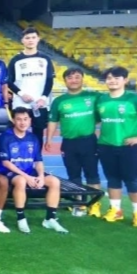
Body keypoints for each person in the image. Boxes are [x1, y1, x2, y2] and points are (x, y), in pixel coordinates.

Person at [95, 66, 137, 229]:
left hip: (129, 147)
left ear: (125, 80)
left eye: (116, 78)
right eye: (109, 78)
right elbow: (95, 119)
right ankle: (115, 210)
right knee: (112, 179)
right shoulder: (101, 100)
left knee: (132, 180)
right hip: (106, 146)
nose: (112, 81)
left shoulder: (135, 99)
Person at [0, 107, 68, 234]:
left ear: (30, 120)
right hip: (11, 172)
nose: (22, 122)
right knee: (21, 181)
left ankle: (50, 219)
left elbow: (38, 160)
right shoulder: (5, 137)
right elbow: (6, 162)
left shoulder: (33, 138)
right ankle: (21, 218)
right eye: (19, 119)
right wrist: (27, 177)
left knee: (54, 181)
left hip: (29, 171)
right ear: (13, 120)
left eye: (25, 119)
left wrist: (40, 176)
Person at [45, 68, 102, 218]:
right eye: (70, 78)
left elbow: (113, 99)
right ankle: (79, 203)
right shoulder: (59, 101)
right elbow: (53, 121)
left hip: (89, 141)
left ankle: (95, 205)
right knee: (73, 175)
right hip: (69, 143)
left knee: (92, 174)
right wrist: (48, 139)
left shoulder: (93, 96)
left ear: (82, 79)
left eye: (77, 77)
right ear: (65, 81)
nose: (74, 80)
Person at [7, 27, 55, 143]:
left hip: (40, 104)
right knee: (18, 132)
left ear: (38, 39)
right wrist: (21, 94)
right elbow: (8, 81)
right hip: (20, 103)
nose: (30, 40)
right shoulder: (15, 60)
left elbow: (49, 80)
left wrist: (43, 98)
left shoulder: (45, 59)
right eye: (27, 38)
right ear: (22, 40)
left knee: (38, 134)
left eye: (33, 37)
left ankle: (37, 155)